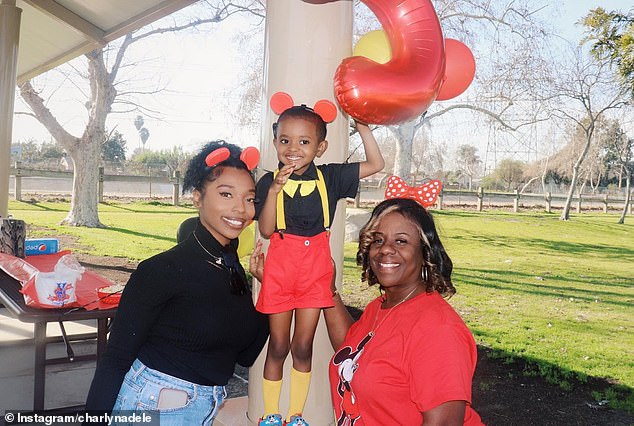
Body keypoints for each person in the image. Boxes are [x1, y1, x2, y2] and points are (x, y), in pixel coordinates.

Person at [85, 141, 269, 425]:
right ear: (197, 197)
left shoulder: (231, 270)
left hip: (201, 409)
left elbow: (245, 355)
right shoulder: (161, 271)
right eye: (226, 194)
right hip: (152, 405)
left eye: (249, 198)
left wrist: (268, 289)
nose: (240, 209)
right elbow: (115, 359)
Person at [254, 97, 384, 426]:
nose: (293, 148)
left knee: (302, 347)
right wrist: (273, 192)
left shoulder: (330, 178)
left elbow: (376, 163)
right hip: (281, 271)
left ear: (320, 147)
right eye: (285, 140)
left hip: (314, 273)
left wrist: (363, 128)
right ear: (275, 143)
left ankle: (295, 415)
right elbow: (267, 230)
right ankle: (271, 414)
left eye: (304, 141)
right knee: (279, 345)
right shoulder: (269, 181)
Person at [317, 195, 485, 425]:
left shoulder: (438, 330)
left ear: (424, 253)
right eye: (378, 240)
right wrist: (328, 291)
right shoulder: (383, 306)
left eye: (401, 241)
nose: (386, 249)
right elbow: (355, 351)